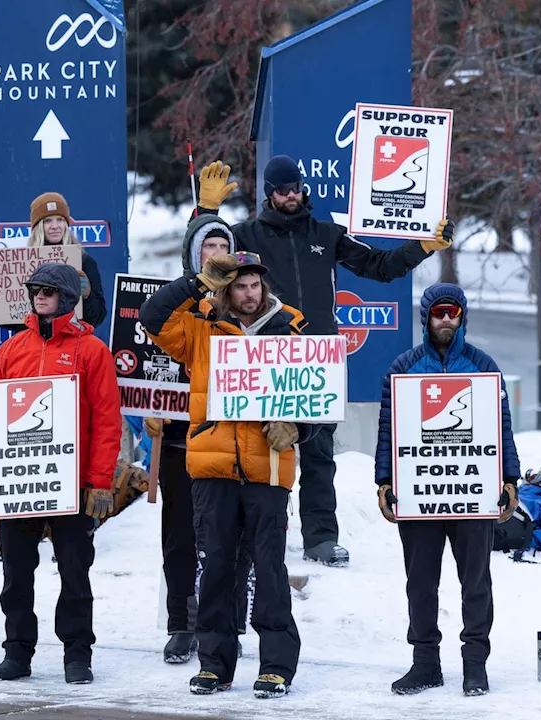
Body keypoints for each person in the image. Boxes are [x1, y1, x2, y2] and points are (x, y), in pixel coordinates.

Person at [195, 157, 457, 568]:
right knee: (259, 451)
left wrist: (422, 246)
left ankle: (321, 538)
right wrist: (207, 212)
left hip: (317, 358)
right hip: (264, 355)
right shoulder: (246, 235)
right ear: (269, 193)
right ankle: (259, 538)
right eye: (282, 190)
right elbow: (205, 257)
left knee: (319, 453)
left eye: (296, 187)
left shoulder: (327, 234)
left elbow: (379, 266)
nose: (291, 195)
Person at [140, 252, 309, 699]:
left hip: (268, 468)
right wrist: (196, 282)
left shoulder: (292, 327)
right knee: (215, 565)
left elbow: (320, 393)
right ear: (225, 288)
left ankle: (275, 666)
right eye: (239, 285)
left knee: (269, 568)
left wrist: (300, 427)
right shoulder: (200, 326)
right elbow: (151, 317)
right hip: (212, 465)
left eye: (255, 285)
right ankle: (215, 664)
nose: (249, 294)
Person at [0, 263, 119, 685]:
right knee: (15, 571)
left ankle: (77, 655)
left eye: (48, 290)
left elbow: (107, 421)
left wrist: (101, 482)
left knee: (74, 571)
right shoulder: (13, 348)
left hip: (72, 485)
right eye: (35, 289)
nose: (39, 295)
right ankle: (17, 652)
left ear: (68, 297)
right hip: (18, 483)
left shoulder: (92, 352)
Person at [374, 283, 521, 697]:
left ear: (462, 316)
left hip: (472, 495)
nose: (445, 320)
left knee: (476, 583)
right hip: (419, 496)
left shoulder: (482, 364)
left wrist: (510, 479)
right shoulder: (403, 366)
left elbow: (501, 427)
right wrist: (384, 481)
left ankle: (475, 664)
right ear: (426, 317)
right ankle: (425, 664)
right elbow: (388, 431)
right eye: (438, 313)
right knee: (420, 582)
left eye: (452, 313)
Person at [142, 214, 254, 664]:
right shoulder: (182, 302)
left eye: (224, 246)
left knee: (233, 539)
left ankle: (229, 623)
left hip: (235, 441)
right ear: (195, 255)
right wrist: (146, 405)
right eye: (208, 247)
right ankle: (182, 624)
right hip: (178, 441)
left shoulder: (249, 307)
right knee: (181, 538)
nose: (217, 256)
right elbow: (148, 342)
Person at [25, 192, 106, 328]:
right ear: (38, 227)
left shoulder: (84, 261)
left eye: (60, 219)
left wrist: (87, 296)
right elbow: (14, 320)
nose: (55, 226)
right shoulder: (24, 261)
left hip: (73, 341)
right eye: (47, 221)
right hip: (36, 343)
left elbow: (97, 317)